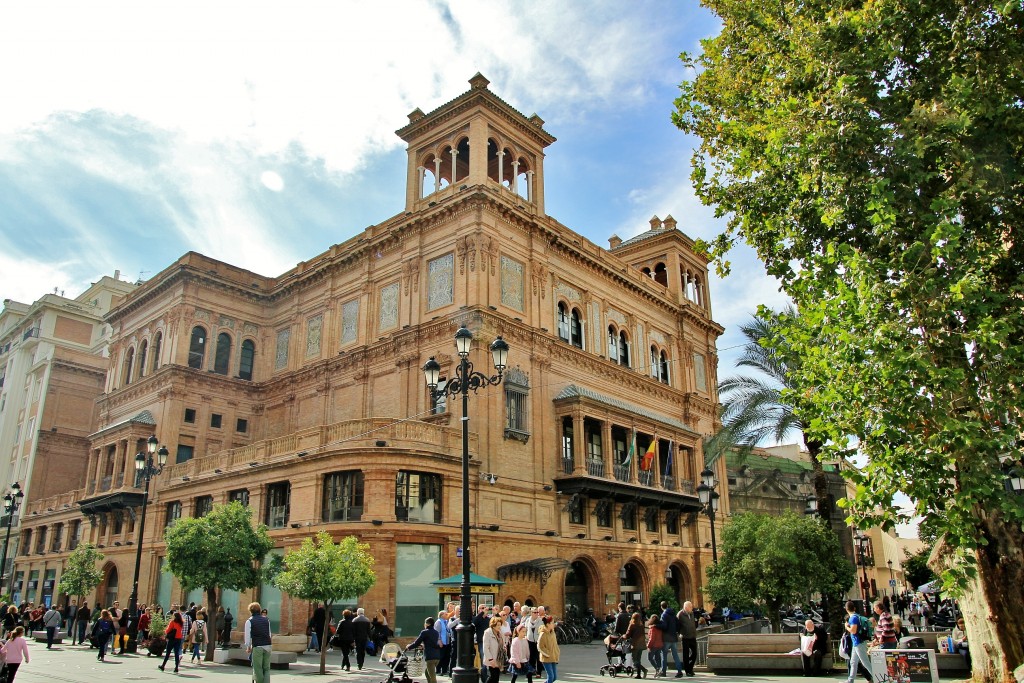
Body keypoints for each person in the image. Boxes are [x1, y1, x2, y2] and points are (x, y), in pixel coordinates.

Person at [245, 602, 273, 683]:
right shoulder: (266, 620)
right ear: (260, 610)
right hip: (268, 645)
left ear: (250, 611)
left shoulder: (249, 621)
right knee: (267, 668)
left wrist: (248, 647)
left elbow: (247, 636)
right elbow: (269, 634)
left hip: (257, 646)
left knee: (258, 668)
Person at [409, 616, 442, 683]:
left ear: (428, 624)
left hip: (430, 658)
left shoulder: (424, 632)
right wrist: (423, 645)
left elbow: (416, 643)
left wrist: (409, 647)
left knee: (433, 678)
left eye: (425, 623)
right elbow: (431, 642)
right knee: (427, 673)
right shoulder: (436, 632)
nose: (424, 624)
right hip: (437, 657)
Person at [845, 601, 872, 683]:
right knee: (853, 662)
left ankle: (878, 677)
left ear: (846, 609)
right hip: (857, 643)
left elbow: (853, 631)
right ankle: (850, 680)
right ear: (854, 608)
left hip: (858, 642)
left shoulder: (853, 618)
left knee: (865, 662)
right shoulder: (857, 616)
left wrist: (847, 627)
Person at [676, 601, 698, 677]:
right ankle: (688, 671)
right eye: (690, 607)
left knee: (694, 654)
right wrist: (680, 633)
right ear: (686, 607)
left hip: (693, 636)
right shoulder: (680, 614)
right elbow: (677, 625)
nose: (692, 608)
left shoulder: (692, 613)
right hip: (685, 637)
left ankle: (690, 667)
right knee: (685, 655)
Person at [537, 616, 559, 683]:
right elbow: (539, 646)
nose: (554, 624)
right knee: (551, 677)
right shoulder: (543, 634)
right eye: (552, 623)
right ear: (547, 624)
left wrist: (557, 652)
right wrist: (548, 654)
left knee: (554, 677)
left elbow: (555, 644)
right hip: (546, 658)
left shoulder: (552, 632)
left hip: (553, 657)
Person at [482, 615, 504, 683]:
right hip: (491, 658)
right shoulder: (488, 632)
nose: (499, 627)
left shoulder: (500, 633)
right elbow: (485, 647)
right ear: (493, 625)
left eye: (500, 625)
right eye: (498, 625)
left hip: (499, 658)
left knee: (496, 677)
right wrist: (490, 659)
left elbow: (502, 643)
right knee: (493, 676)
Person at [625, 612, 647, 679]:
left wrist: (624, 636)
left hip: (635, 644)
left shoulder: (632, 625)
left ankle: (644, 670)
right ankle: (638, 674)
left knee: (635, 660)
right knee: (638, 659)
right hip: (641, 644)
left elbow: (628, 634)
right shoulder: (641, 625)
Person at [435, 608, 453, 676]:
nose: (447, 615)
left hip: (447, 642)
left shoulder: (446, 621)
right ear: (442, 615)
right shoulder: (438, 622)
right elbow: (437, 632)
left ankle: (444, 670)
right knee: (441, 656)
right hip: (441, 642)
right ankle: (438, 670)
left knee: (447, 657)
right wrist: (439, 641)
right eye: (446, 614)